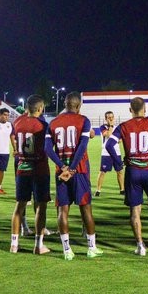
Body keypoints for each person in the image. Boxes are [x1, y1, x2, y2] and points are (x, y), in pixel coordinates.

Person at [105, 97, 148, 256]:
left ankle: (140, 246)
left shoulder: (124, 126)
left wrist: (118, 162)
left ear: (130, 110)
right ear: (145, 110)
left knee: (134, 210)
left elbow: (110, 144)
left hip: (133, 171)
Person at [48, 92, 103, 259]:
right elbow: (82, 147)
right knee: (85, 209)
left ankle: (67, 250)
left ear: (65, 104)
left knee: (62, 210)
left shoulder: (54, 122)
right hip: (79, 171)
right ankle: (91, 248)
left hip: (61, 172)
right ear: (78, 106)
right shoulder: (83, 120)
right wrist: (72, 168)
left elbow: (48, 149)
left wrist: (62, 166)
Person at [10, 94, 55, 254]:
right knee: (41, 206)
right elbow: (49, 146)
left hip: (22, 167)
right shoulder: (42, 124)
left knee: (19, 205)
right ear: (40, 108)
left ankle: (14, 244)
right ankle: (38, 245)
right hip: (39, 168)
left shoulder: (17, 122)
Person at [95, 111, 124, 197]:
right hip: (106, 153)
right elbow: (108, 135)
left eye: (112, 117)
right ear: (106, 119)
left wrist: (119, 139)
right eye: (109, 117)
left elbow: (121, 139)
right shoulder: (102, 127)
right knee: (102, 172)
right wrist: (111, 126)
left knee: (119, 171)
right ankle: (98, 190)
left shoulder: (117, 128)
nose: (111, 119)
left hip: (116, 152)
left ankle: (122, 189)